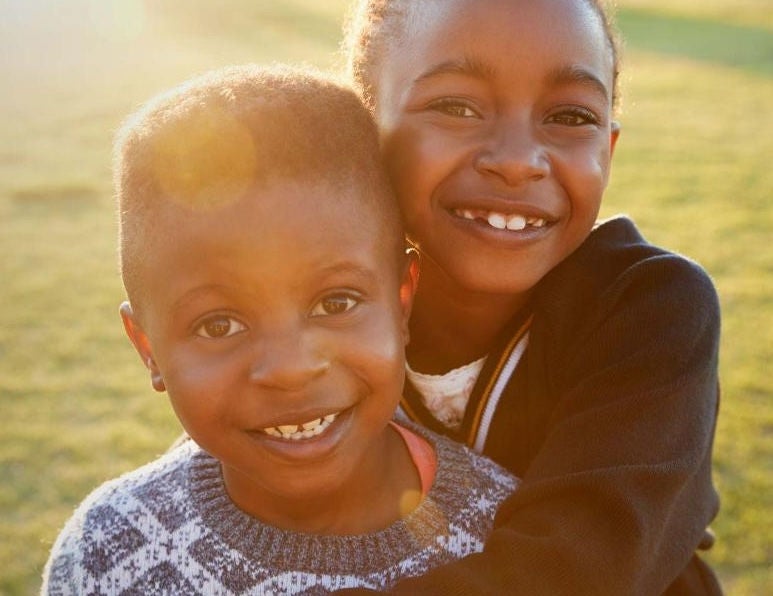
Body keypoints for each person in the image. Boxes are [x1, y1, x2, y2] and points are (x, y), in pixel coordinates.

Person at [40, 64, 519, 594]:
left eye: (336, 302)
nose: (290, 370)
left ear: (402, 300)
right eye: (219, 324)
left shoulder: (508, 536)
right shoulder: (108, 553)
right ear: (147, 347)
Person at [341, 0, 722, 594]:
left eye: (570, 117)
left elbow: (584, 565)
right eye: (455, 106)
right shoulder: (319, 307)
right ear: (363, 129)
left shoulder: (650, 307)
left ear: (608, 151)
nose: (518, 162)